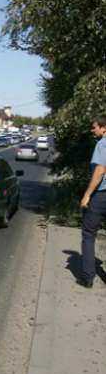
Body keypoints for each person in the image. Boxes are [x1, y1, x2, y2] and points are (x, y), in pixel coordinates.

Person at [79, 115, 106, 288]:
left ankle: (88, 277)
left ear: (104, 128)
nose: (92, 130)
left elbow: (100, 170)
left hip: (101, 195)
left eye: (95, 127)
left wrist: (87, 194)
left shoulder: (102, 144)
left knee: (88, 234)